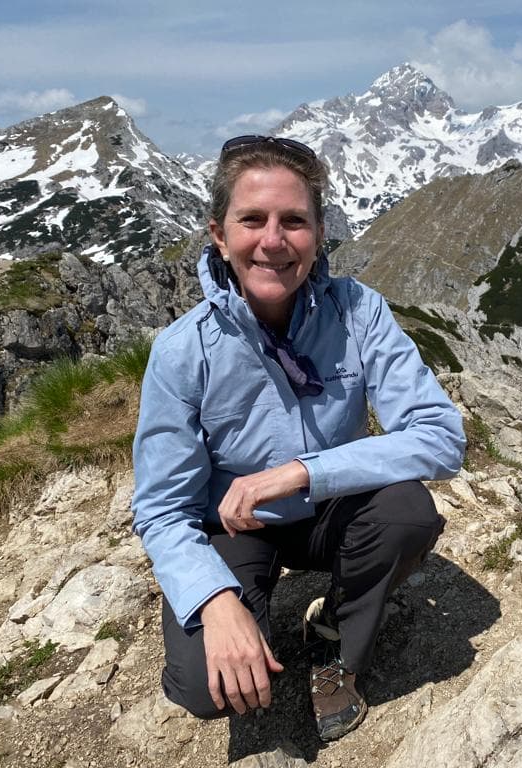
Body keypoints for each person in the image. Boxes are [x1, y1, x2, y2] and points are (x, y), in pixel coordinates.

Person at [131, 135, 466, 742]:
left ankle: (337, 639)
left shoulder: (358, 312)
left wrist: (302, 472)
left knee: (406, 513)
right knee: (206, 691)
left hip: (328, 507)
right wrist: (216, 602)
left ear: (318, 235)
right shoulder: (182, 352)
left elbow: (441, 436)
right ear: (219, 235)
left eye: (294, 221)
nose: (273, 241)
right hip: (234, 527)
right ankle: (242, 610)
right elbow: (161, 509)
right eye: (251, 220)